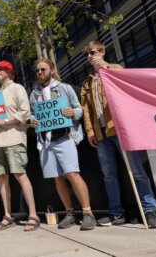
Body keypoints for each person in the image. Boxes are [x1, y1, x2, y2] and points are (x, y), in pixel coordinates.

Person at [80, 40, 156, 228]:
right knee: (109, 174)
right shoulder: (88, 81)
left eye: (92, 52)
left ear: (102, 51)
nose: (90, 57)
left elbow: (125, 87)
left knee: (137, 171)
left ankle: (149, 210)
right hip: (101, 134)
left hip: (119, 129)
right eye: (87, 54)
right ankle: (116, 212)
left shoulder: (115, 68)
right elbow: (86, 110)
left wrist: (105, 69)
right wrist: (90, 130)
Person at [30, 58, 96, 230]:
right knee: (57, 178)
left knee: (73, 174)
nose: (40, 73)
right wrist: (32, 120)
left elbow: (79, 110)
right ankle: (70, 213)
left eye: (43, 69)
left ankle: (88, 213)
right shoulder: (34, 94)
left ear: (51, 70)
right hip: (45, 142)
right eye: (37, 71)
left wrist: (71, 112)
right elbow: (32, 115)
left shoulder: (64, 88)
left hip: (65, 137)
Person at [0, 60, 40, 231]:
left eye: (1, 69)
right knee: (2, 178)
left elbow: (25, 113)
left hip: (14, 138)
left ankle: (33, 215)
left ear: (9, 72)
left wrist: (6, 120)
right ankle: (7, 216)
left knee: (19, 174)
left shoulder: (18, 88)